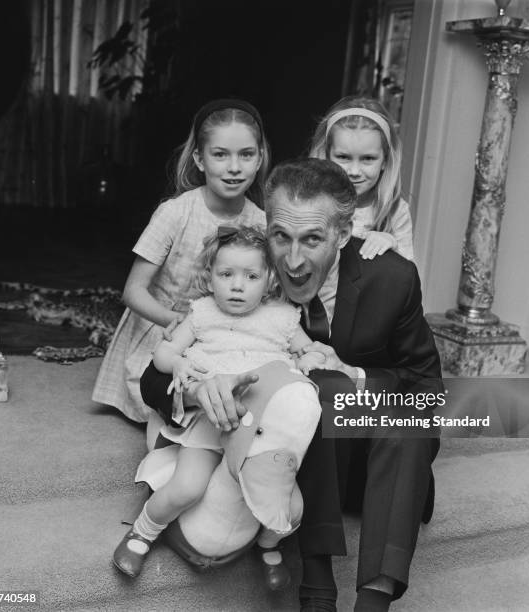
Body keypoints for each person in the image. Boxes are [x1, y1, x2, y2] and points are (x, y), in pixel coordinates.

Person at [140, 158, 442, 611]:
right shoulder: (241, 274)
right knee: (313, 390)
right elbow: (151, 379)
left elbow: (426, 388)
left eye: (313, 240)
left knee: (391, 413)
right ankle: (317, 592)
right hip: (276, 455)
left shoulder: (393, 277)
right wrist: (197, 389)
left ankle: (374, 601)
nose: (294, 260)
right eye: (281, 236)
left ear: (344, 235)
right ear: (267, 225)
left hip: (366, 461)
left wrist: (354, 380)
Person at [114, 225, 324, 586]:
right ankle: (142, 533)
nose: (238, 285)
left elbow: (310, 350)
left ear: (271, 279)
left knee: (293, 508)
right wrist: (178, 362)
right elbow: (164, 352)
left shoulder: (283, 317)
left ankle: (268, 545)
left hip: (261, 429)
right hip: (211, 421)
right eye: (226, 274)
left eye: (251, 276)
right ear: (209, 278)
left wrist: (311, 358)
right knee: (187, 488)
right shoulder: (202, 314)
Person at [92, 99, 269, 422]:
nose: (234, 167)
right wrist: (171, 320)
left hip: (223, 333)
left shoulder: (260, 222)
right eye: (220, 154)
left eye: (246, 155)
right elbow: (133, 291)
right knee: (181, 399)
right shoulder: (176, 212)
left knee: (249, 396)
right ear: (200, 159)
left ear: (259, 160)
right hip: (167, 334)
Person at [309, 95, 414, 262]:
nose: (354, 171)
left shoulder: (394, 211)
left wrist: (392, 245)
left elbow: (409, 280)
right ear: (326, 156)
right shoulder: (308, 201)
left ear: (384, 161)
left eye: (368, 159)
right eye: (343, 157)